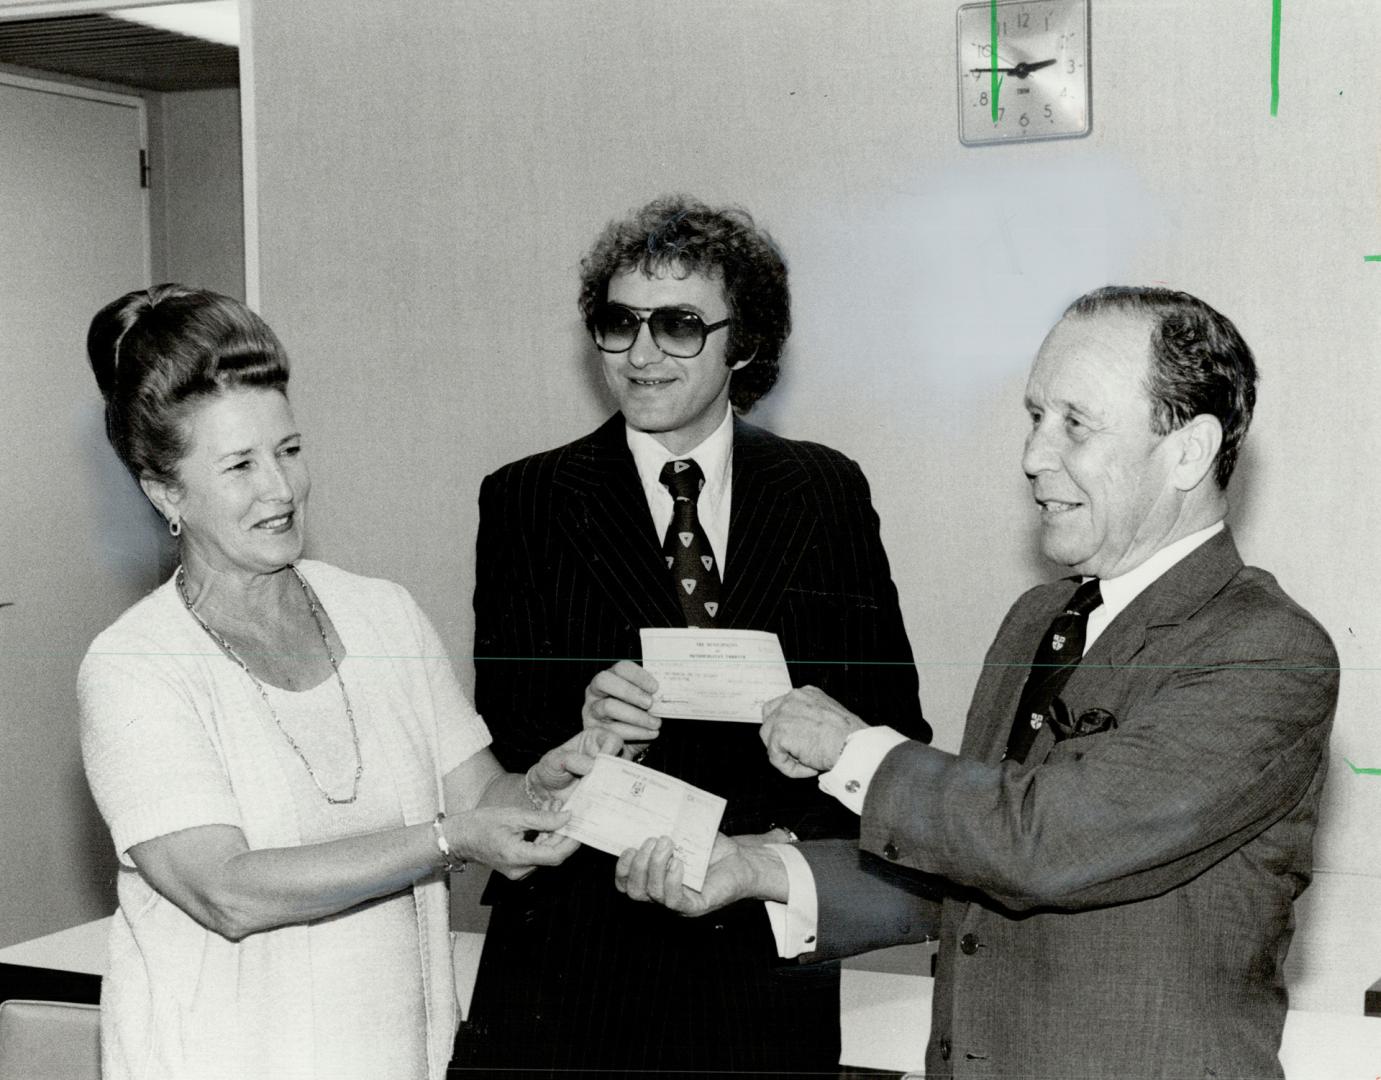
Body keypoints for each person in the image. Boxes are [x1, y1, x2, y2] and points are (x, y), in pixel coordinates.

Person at [616, 286, 1339, 1079]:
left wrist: (852, 749)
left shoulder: (1263, 652)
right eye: (1034, 417)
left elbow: (1043, 844)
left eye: (1074, 423)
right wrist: (755, 871)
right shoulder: (1037, 620)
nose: (1033, 456)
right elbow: (966, 868)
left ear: (1188, 451)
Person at [77, 285, 617, 1080]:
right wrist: (444, 840)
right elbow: (228, 891)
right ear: (165, 493)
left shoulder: (382, 616)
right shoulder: (135, 668)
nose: (281, 489)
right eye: (239, 465)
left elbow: (477, 799)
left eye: (289, 450)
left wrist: (553, 784)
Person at [457, 195, 929, 1077]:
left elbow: (891, 724)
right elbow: (507, 733)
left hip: (758, 961)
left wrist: (795, 819)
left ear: (741, 341)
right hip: (575, 960)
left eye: (676, 325)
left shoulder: (824, 491)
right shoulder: (524, 499)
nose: (640, 353)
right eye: (618, 322)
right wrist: (583, 716)